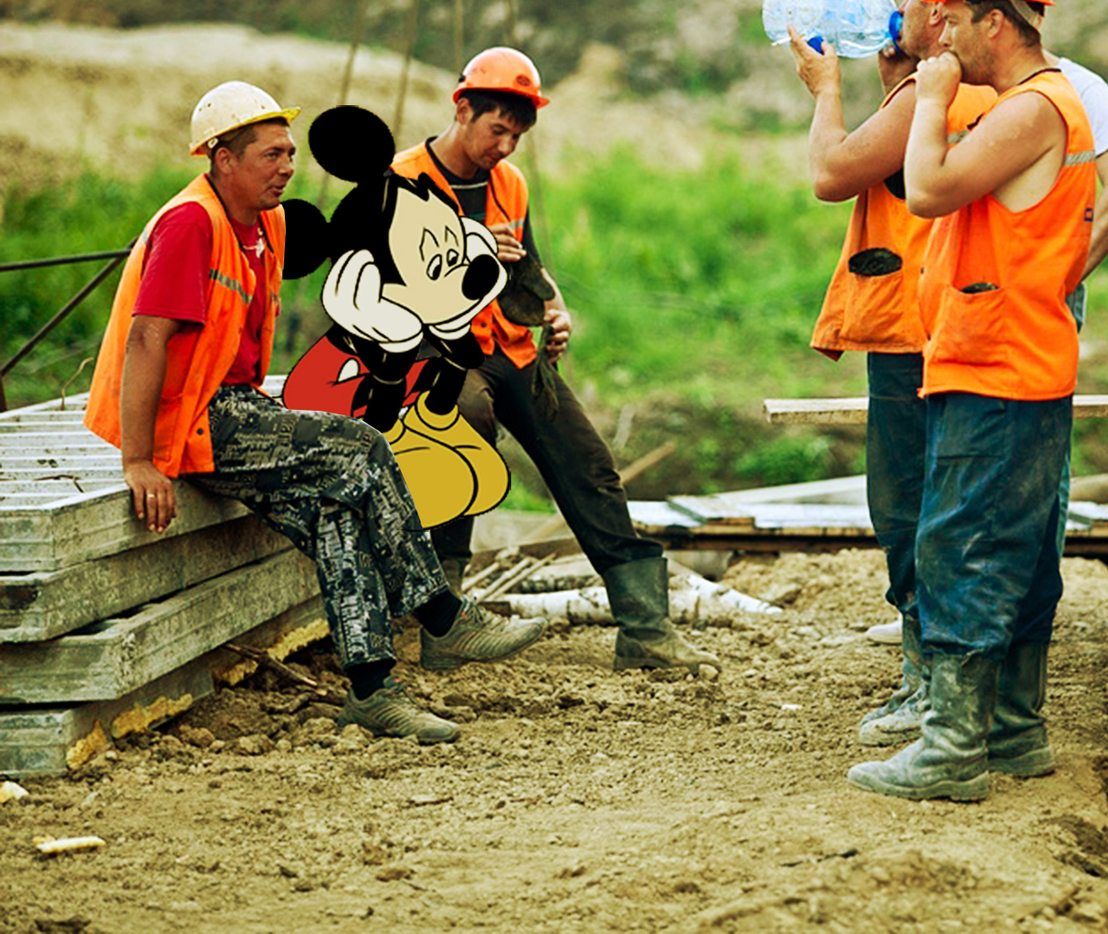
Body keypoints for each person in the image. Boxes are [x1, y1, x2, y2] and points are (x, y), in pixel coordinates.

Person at [83, 81, 547, 745]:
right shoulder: (192, 223)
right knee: (359, 446)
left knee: (334, 508)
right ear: (221, 159)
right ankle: (443, 611)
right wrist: (137, 459)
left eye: (291, 153)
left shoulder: (267, 224)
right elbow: (145, 339)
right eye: (271, 155)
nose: (288, 169)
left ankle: (372, 689)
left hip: (233, 406)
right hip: (189, 421)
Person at [847, 0, 1098, 801]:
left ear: (998, 21)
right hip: (1012, 359)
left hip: (995, 366)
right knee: (1019, 550)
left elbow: (925, 190)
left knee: (960, 546)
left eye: (952, 17)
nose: (939, 32)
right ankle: (1015, 732)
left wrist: (929, 100)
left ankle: (953, 745)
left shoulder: (1031, 109)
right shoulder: (1040, 101)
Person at [390, 47, 720, 675]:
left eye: (517, 134)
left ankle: (645, 630)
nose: (507, 147)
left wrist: (556, 311)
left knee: (587, 461)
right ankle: (445, 622)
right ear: (463, 108)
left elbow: (530, 265)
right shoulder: (403, 181)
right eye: (497, 130)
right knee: (464, 423)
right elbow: (380, 288)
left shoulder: (509, 183)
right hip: (434, 351)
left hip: (507, 346)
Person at [787, 0, 996, 748]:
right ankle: (953, 679)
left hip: (917, 332)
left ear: (943, 13)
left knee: (907, 506)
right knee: (951, 501)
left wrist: (825, 87)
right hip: (959, 323)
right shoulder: (963, 91)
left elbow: (831, 173)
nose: (894, 2)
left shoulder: (925, 99)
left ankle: (927, 685)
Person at [1050, 52, 1108, 550]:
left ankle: (1018, 610)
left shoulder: (1078, 86)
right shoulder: (940, 84)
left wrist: (1056, 279)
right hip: (956, 293)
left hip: (1035, 299)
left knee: (1033, 449)